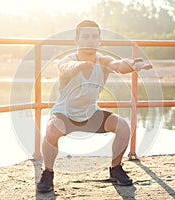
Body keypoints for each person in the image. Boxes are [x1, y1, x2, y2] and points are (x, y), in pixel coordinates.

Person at [37, 19, 152, 193]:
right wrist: (80, 65)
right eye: (85, 37)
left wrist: (134, 65)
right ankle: (48, 174)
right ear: (76, 41)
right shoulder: (68, 60)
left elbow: (118, 65)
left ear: (99, 41)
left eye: (94, 37)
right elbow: (64, 67)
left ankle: (116, 169)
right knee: (51, 131)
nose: (90, 40)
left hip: (90, 115)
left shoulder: (103, 60)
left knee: (123, 126)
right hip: (64, 115)